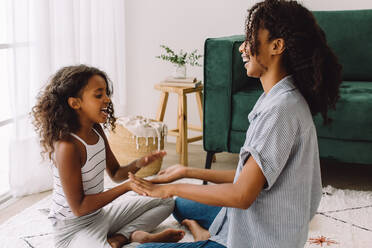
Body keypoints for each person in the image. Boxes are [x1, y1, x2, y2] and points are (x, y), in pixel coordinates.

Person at [129, 0, 342, 247]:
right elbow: (249, 177)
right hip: (250, 220)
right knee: (178, 206)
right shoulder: (280, 98)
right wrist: (186, 172)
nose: (242, 47)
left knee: (144, 242)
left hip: (259, 238)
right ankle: (202, 234)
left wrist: (168, 189)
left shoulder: (280, 110)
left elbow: (242, 195)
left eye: (250, 38)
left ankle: (204, 238)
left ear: (276, 46)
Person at [31, 65, 185, 248]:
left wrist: (139, 163)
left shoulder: (95, 129)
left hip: (99, 215)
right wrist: (127, 187)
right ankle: (121, 239)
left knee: (166, 201)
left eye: (106, 93)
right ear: (75, 103)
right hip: (72, 230)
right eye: (98, 95)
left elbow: (116, 173)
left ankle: (122, 238)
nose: (107, 99)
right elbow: (79, 208)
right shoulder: (67, 147)